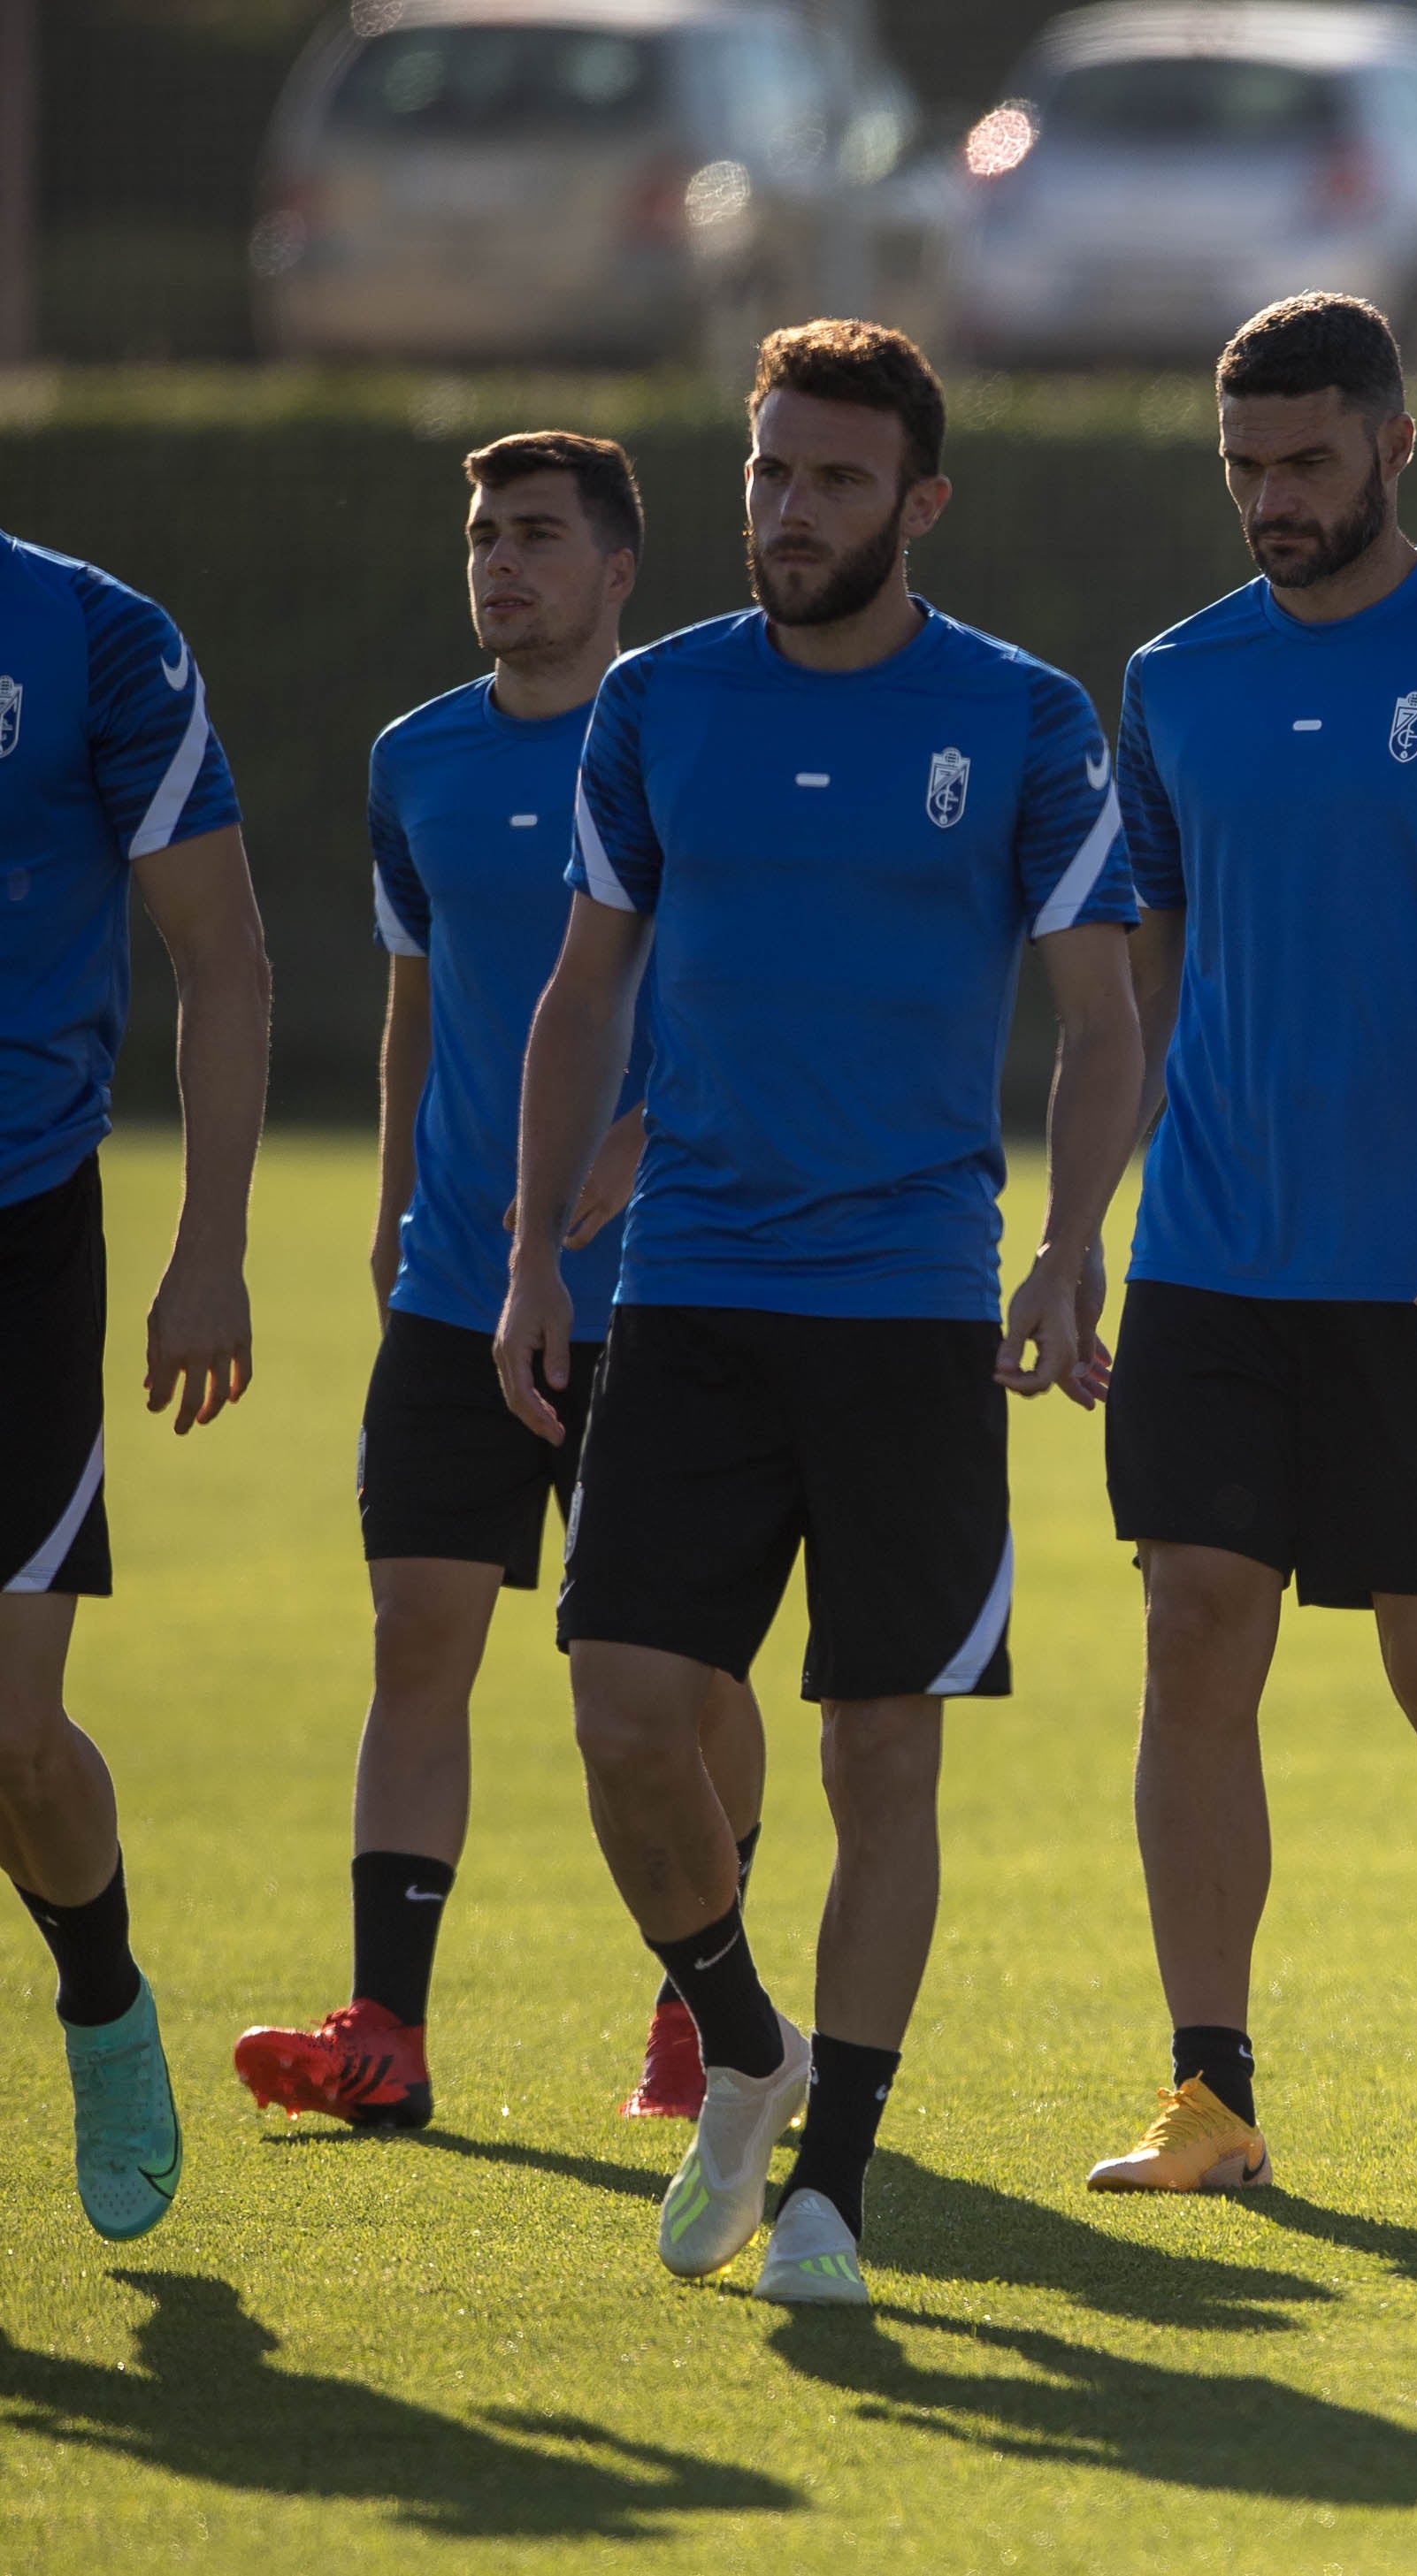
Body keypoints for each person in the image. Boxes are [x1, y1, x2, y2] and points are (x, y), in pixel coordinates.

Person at [496, 322, 1144, 2309]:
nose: (791, 510)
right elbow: (586, 988)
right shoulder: (658, 704)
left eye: (838, 481)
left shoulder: (1023, 720)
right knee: (622, 1715)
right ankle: (739, 2035)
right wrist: (536, 1248)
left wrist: (1069, 1237)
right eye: (772, 473)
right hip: (689, 1285)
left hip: (909, 1312)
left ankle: (832, 2183)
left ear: (917, 503)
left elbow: (1103, 1013)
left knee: (882, 1758)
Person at [1081, 294, 1417, 2201]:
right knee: (1191, 1625)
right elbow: (1137, 976)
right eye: (1242, 467)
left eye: (1305, 461)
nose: (1271, 499)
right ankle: (1208, 2087)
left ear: (1395, 445)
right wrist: (1079, 1221)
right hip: (1214, 1255)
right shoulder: (1173, 679)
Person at [234, 434, 773, 2136]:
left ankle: (708, 2020)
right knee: (418, 1640)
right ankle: (384, 2028)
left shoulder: (693, 745)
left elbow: (747, 989)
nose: (499, 564)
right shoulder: (418, 760)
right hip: (461, 1286)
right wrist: (402, 1209)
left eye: (536, 537)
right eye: (483, 536)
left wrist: (628, 1151)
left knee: (683, 1680)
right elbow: (420, 999)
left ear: (621, 570)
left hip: (665, 1291)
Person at [0, 530, 269, 2243]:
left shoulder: (96, 638)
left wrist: (212, 1245)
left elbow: (225, 951)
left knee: (15, 1736)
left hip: (22, 1222)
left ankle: (101, 2000)